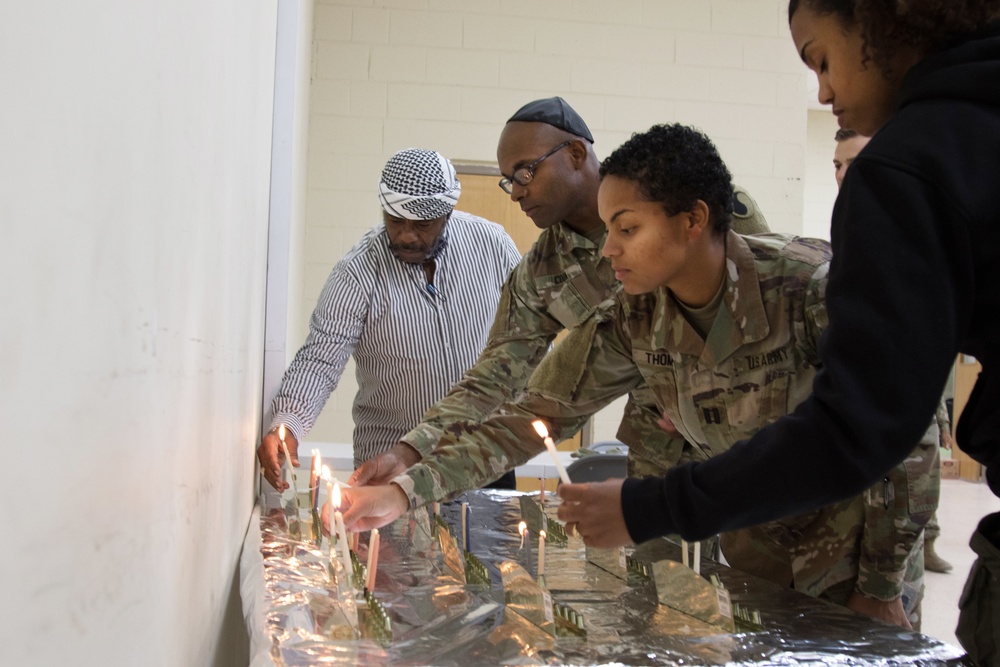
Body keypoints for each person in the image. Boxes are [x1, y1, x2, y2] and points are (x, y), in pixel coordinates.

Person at [343, 123, 934, 629]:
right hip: (758, 545)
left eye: (626, 231)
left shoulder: (809, 288)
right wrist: (403, 490)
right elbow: (523, 421)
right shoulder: (635, 317)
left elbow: (908, 434)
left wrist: (881, 586)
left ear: (693, 220)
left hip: (862, 552)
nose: (608, 252)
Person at [555, 1, 1000, 661]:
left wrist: (649, 508)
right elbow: (557, 405)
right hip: (759, 556)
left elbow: (873, 428)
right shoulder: (634, 315)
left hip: (847, 565)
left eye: (821, 58)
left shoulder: (888, 190)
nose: (822, 90)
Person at [350, 98, 770, 496]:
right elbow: (493, 379)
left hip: (753, 426)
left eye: (525, 173)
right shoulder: (541, 272)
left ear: (574, 154)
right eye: (508, 181)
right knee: (662, 565)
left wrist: (702, 390)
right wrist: (412, 451)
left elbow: (761, 302)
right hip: (658, 453)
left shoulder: (683, 204)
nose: (515, 192)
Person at [257, 148, 521, 490]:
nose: (407, 235)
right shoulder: (357, 272)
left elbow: (529, 333)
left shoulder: (492, 245)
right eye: (395, 221)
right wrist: (287, 425)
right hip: (390, 466)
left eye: (422, 225)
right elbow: (320, 359)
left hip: (483, 457)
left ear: (447, 214)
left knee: (488, 545)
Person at [834, 127, 954, 575]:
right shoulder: (850, 229)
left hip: (904, 418)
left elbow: (930, 343)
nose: (845, 175)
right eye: (837, 165)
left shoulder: (914, 234)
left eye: (856, 163)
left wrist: (937, 413)